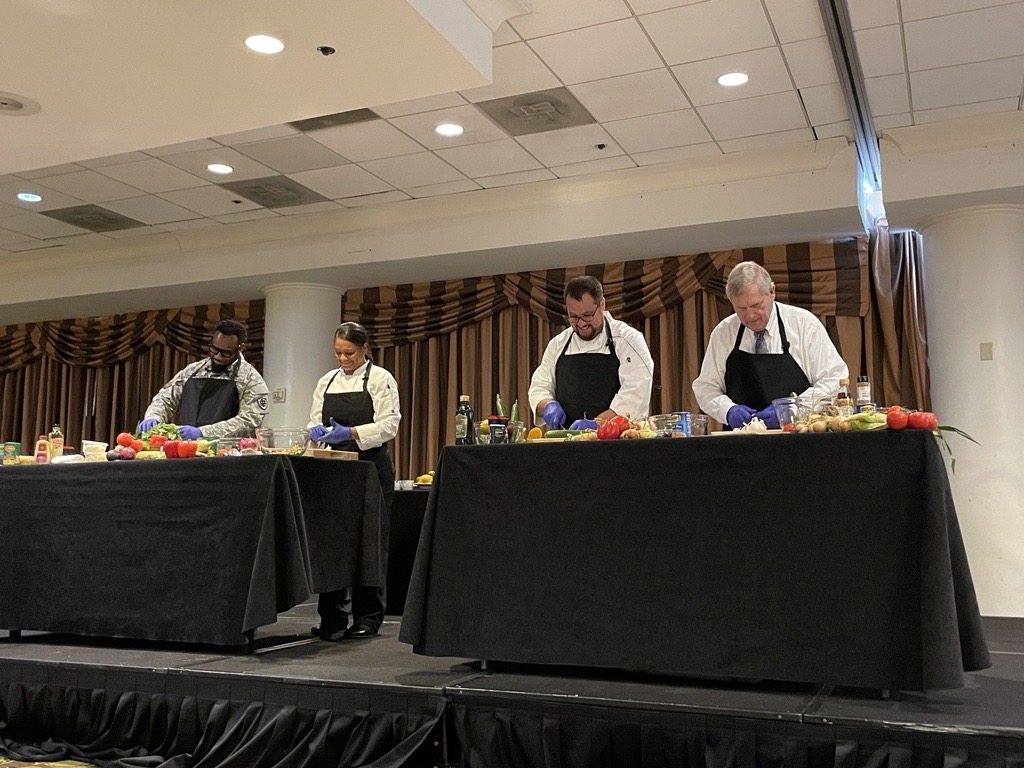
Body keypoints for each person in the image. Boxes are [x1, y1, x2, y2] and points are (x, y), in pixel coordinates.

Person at [307, 322, 401, 641]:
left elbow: (390, 425)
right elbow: (313, 419)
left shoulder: (380, 378)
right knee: (333, 541)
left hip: (370, 465)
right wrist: (317, 432)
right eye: (337, 353)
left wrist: (351, 433)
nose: (343, 359)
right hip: (335, 468)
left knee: (370, 541)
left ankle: (368, 617)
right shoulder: (326, 381)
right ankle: (332, 617)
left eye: (349, 353)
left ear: (364, 348)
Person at [692, 261, 848, 429]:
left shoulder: (804, 324)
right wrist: (728, 410)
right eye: (741, 308)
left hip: (799, 437)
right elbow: (706, 387)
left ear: (772, 292)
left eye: (755, 305)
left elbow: (834, 379)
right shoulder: (723, 333)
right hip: (743, 443)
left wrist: (794, 409)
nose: (750, 315)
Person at [528, 275, 654, 431]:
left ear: (602, 305)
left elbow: (636, 393)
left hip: (616, 441)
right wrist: (547, 405)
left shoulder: (628, 339)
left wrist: (598, 424)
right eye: (573, 317)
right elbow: (539, 387)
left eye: (587, 315)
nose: (581, 324)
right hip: (567, 441)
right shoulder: (558, 344)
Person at [137, 319, 269, 439]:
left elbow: (249, 420)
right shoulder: (193, 370)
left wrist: (204, 432)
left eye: (226, 352)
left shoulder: (251, 379)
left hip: (228, 453)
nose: (218, 356)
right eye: (214, 349)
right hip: (186, 447)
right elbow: (165, 398)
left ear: (240, 347)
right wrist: (153, 417)